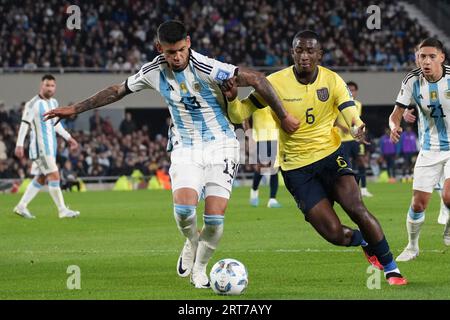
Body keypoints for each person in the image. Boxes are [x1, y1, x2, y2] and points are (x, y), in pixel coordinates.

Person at [43, 20, 299, 289]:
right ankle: (191, 241)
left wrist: (283, 115)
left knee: (214, 218)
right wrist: (75, 108)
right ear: (159, 49)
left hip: (222, 145)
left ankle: (200, 269)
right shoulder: (153, 70)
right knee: (184, 212)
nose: (176, 57)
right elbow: (117, 90)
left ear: (188, 43)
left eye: (180, 50)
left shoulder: (210, 68)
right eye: (169, 52)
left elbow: (258, 79)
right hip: (185, 147)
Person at [222, 30, 407, 285]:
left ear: (319, 55)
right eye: (299, 50)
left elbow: (349, 110)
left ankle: (391, 268)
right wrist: (232, 99)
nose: (305, 56)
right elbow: (239, 113)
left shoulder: (332, 81)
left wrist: (356, 126)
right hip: (296, 169)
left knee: (357, 209)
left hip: (331, 157)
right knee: (335, 234)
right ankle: (364, 241)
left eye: (310, 51)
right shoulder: (275, 82)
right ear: (292, 53)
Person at [389, 38, 450, 260]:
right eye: (422, 56)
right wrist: (395, 126)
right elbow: (395, 114)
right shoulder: (412, 80)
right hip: (428, 149)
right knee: (418, 203)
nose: (426, 61)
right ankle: (412, 246)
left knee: (449, 195)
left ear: (441, 58)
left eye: (432, 56)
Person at [14, 74, 80, 219]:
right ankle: (62, 210)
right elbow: (25, 124)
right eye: (47, 85)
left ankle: (21, 206)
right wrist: (19, 145)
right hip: (40, 148)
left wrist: (69, 138)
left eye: (52, 86)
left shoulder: (54, 103)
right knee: (54, 175)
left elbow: (56, 125)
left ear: (55, 87)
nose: (49, 88)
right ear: (41, 86)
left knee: (41, 178)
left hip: (50, 147)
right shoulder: (33, 104)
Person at [334, 81, 373, 197]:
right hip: (341, 140)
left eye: (353, 90)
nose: (351, 92)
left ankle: (364, 188)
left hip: (355, 140)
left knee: (361, 162)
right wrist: (342, 127)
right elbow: (333, 120)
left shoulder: (358, 104)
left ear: (356, 92)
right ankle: (346, 190)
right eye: (349, 90)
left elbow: (357, 121)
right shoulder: (339, 105)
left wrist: (361, 134)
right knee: (345, 166)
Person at [246, 107, 282, 208]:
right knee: (262, 167)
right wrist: (249, 136)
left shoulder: (274, 98)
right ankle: (254, 190)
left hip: (275, 136)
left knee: (274, 168)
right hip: (260, 137)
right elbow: (245, 118)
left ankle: (272, 199)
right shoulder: (253, 99)